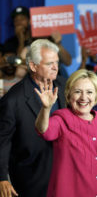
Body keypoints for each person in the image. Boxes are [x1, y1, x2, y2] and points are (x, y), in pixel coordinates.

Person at [35, 69, 97, 197]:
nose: (84, 97)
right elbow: (43, 130)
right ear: (68, 94)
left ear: (96, 96)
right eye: (77, 92)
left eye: (89, 92)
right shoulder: (61, 119)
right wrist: (46, 108)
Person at [0, 39, 66, 197]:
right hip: (32, 178)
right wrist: (2, 178)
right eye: (49, 63)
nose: (55, 67)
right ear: (33, 66)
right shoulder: (13, 100)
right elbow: (2, 141)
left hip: (66, 173)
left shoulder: (66, 86)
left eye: (57, 62)